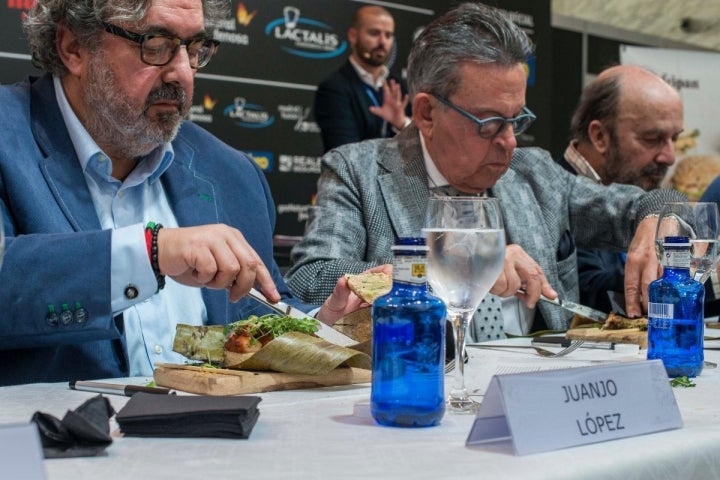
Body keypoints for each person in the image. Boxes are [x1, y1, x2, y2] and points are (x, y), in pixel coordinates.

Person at [0, 0, 364, 386]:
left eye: (194, 50)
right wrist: (151, 252)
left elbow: (254, 320)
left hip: (218, 441)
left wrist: (322, 325)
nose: (182, 73)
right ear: (74, 47)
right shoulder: (10, 137)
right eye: (156, 45)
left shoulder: (232, 173)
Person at [286, 2, 685, 338]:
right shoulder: (357, 171)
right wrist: (456, 263)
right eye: (489, 123)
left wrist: (661, 215)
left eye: (517, 119)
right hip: (417, 384)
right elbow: (312, 279)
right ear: (426, 112)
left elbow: (638, 205)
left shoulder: (535, 174)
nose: (509, 141)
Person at [556, 64, 684, 312]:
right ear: (600, 136)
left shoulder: (634, 189)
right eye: (652, 138)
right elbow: (589, 294)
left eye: (674, 138)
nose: (670, 157)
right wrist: (709, 277)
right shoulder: (547, 193)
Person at [314, 5, 411, 153]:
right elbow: (346, 153)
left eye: (388, 35)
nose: (382, 42)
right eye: (374, 33)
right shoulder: (333, 88)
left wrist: (401, 124)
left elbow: (422, 149)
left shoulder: (400, 87)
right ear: (353, 36)